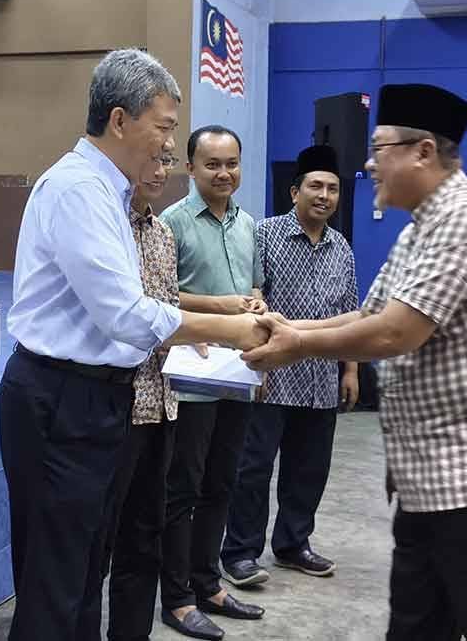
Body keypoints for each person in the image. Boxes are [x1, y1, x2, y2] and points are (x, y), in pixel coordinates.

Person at [242, 83, 467, 641]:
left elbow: (396, 332)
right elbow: (363, 316)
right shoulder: (421, 228)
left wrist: (296, 346)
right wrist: (288, 328)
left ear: (422, 151)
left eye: (381, 147)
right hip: (435, 480)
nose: (369, 163)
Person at [0, 49, 266, 641]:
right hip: (59, 397)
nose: (167, 145)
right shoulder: (77, 190)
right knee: (55, 581)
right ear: (120, 121)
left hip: (101, 398)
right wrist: (230, 329)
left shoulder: (112, 193)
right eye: (164, 128)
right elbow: (125, 313)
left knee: (90, 567)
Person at [220, 144, 359, 588]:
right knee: (253, 468)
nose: (324, 195)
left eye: (333, 189)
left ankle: (293, 544)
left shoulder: (342, 248)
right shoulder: (265, 235)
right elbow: (250, 300)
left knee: (309, 469)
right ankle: (240, 553)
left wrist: (350, 369)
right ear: (294, 191)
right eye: (315, 186)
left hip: (320, 379)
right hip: (271, 377)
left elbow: (352, 312)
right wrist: (253, 370)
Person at [157, 125, 266, 640]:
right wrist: (221, 305)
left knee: (223, 483)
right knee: (184, 488)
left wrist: (255, 304)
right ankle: (176, 599)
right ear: (191, 168)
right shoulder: (171, 224)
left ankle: (209, 584)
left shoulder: (248, 224)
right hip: (192, 377)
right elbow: (157, 300)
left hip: (237, 372)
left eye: (232, 164)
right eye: (213, 164)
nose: (224, 173)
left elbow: (253, 288)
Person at [101, 143, 182, 641]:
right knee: (97, 542)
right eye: (150, 158)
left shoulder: (164, 234)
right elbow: (120, 318)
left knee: (145, 537)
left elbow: (170, 310)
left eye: (166, 161)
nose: (158, 170)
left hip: (163, 403)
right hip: (114, 407)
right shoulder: (106, 229)